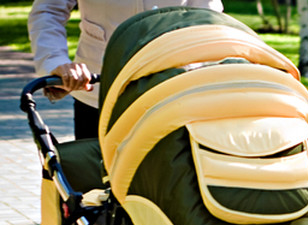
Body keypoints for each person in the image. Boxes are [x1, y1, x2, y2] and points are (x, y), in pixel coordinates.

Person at [29, 0, 224, 140]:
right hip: (99, 90)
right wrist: (55, 61)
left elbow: (208, 19)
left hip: (173, 91)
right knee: (96, 186)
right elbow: (48, 11)